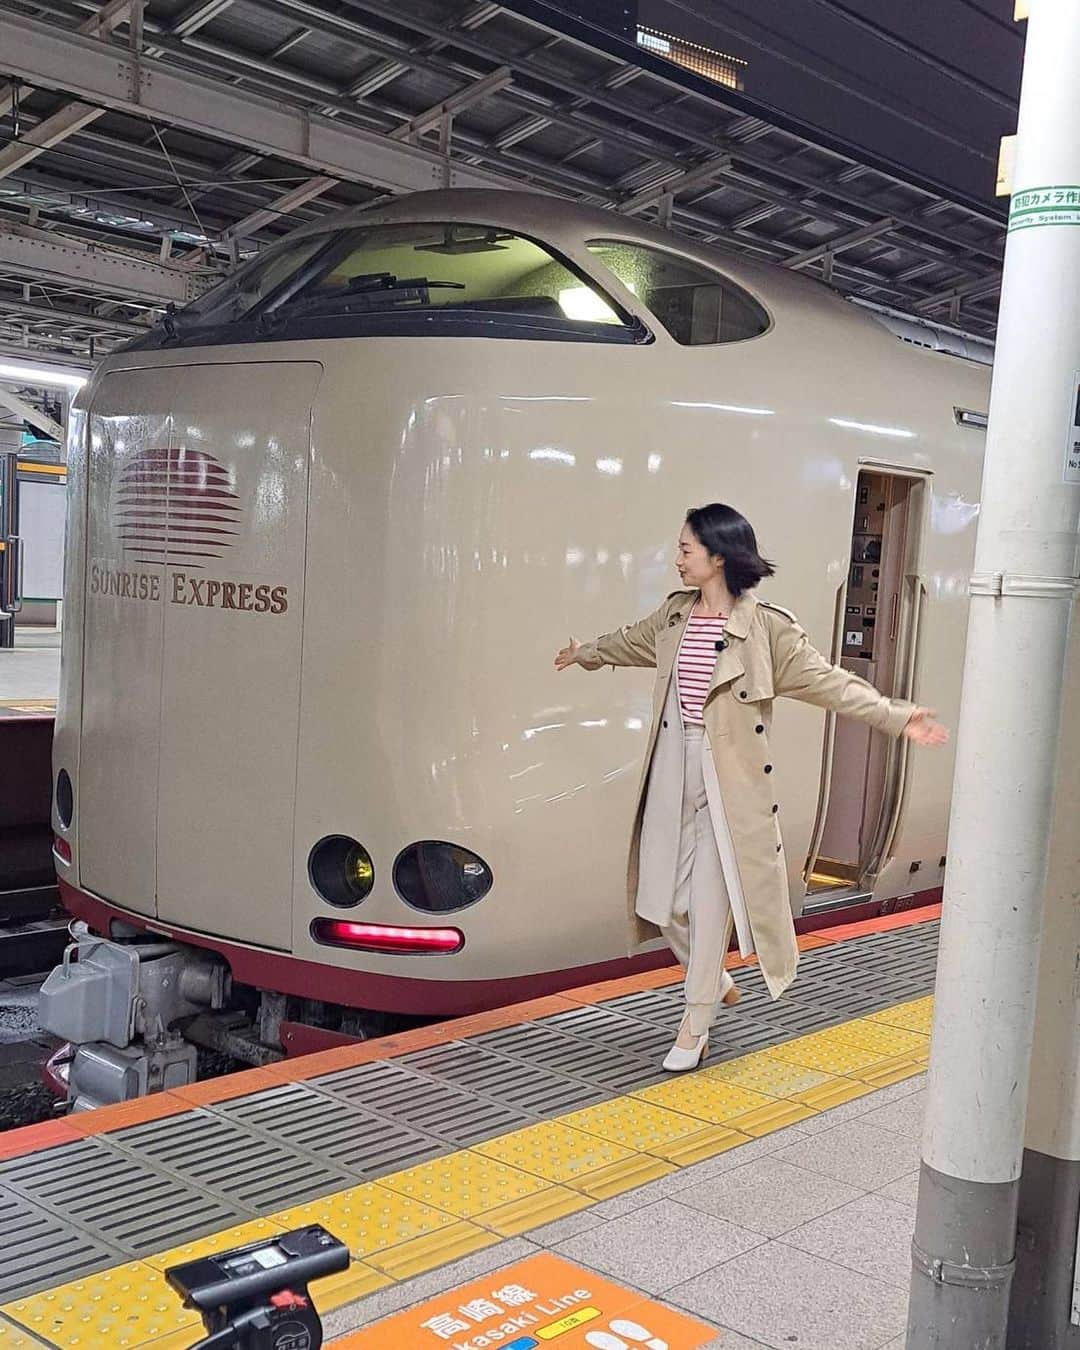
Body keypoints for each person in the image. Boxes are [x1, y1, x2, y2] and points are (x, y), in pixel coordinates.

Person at [555, 503, 948, 1072]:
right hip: (671, 767)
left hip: (730, 780)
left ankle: (695, 1021)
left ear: (718, 557)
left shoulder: (767, 630)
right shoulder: (673, 618)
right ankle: (711, 980)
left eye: (686, 549)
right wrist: (584, 654)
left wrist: (896, 715)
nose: (678, 559)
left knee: (711, 904)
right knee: (661, 902)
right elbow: (627, 642)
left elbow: (828, 683)